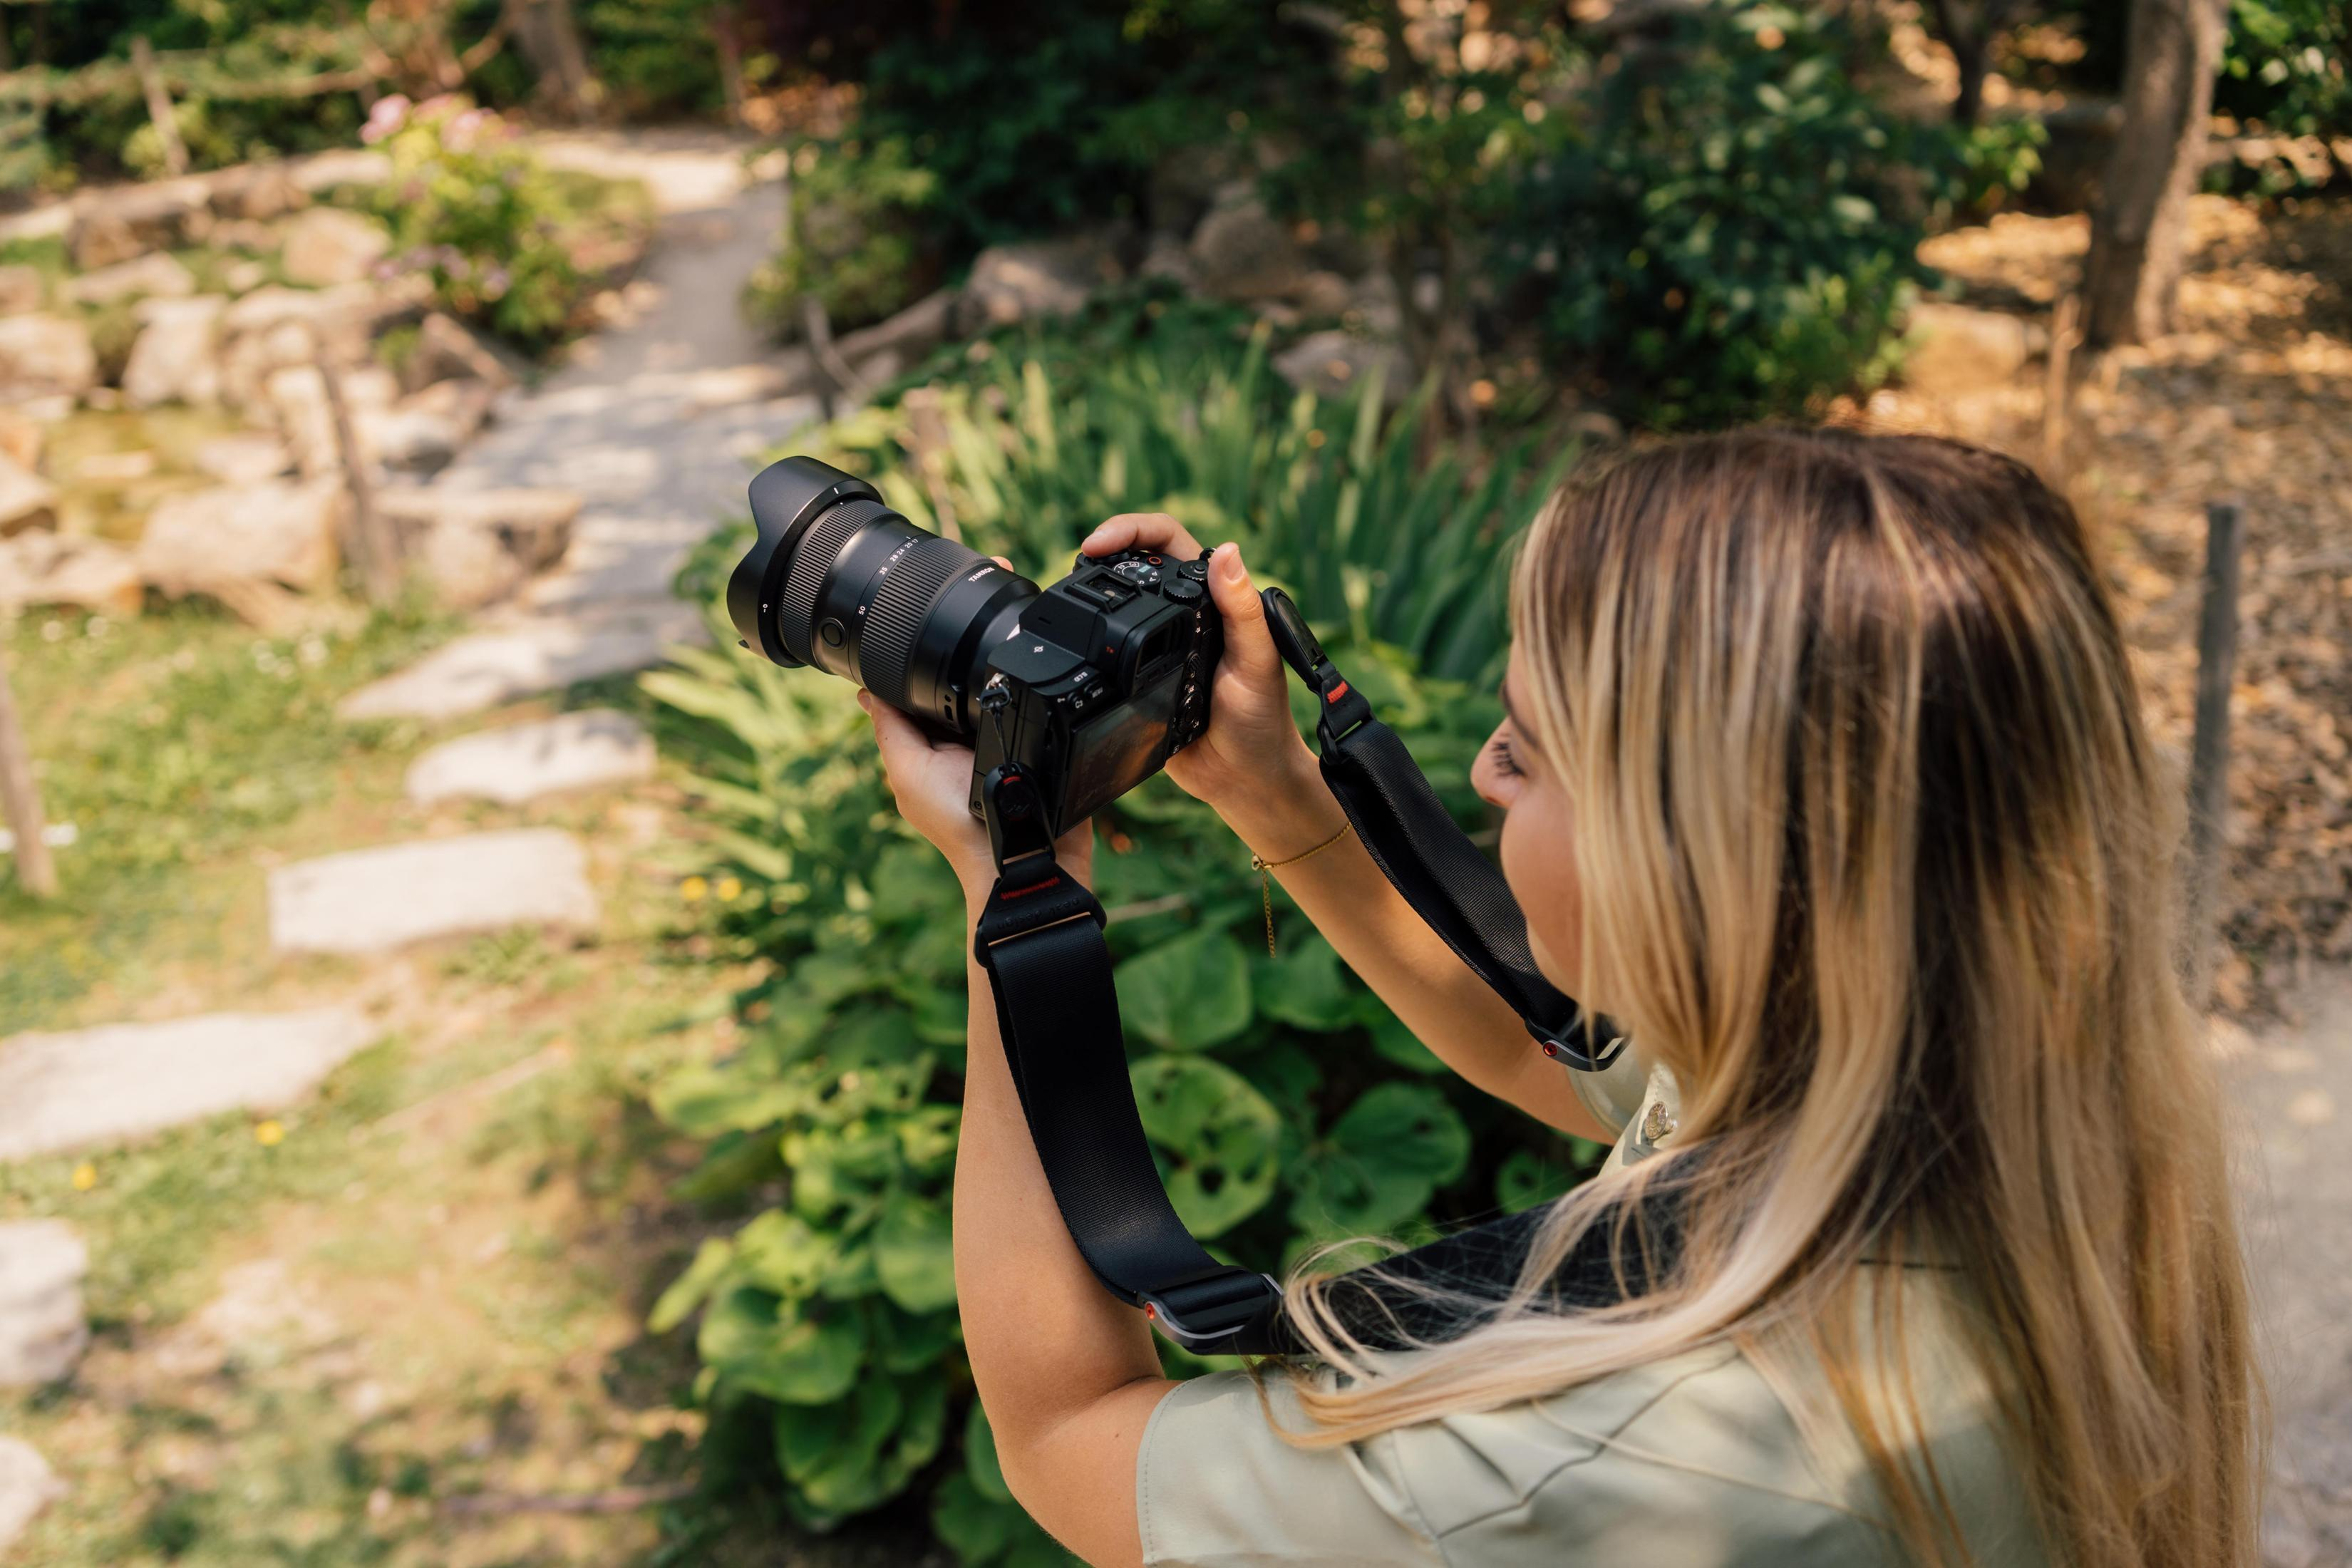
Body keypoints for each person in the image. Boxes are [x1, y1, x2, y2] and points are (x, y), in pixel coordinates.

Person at [855, 428, 2261, 1568]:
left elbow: (1069, 1436)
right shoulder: (2004, 1103)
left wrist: (1011, 879)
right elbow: (1560, 1059)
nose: (1481, 771)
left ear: (1705, 860)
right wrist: (1275, 792)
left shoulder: (1611, 1475)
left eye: (1528, 744)